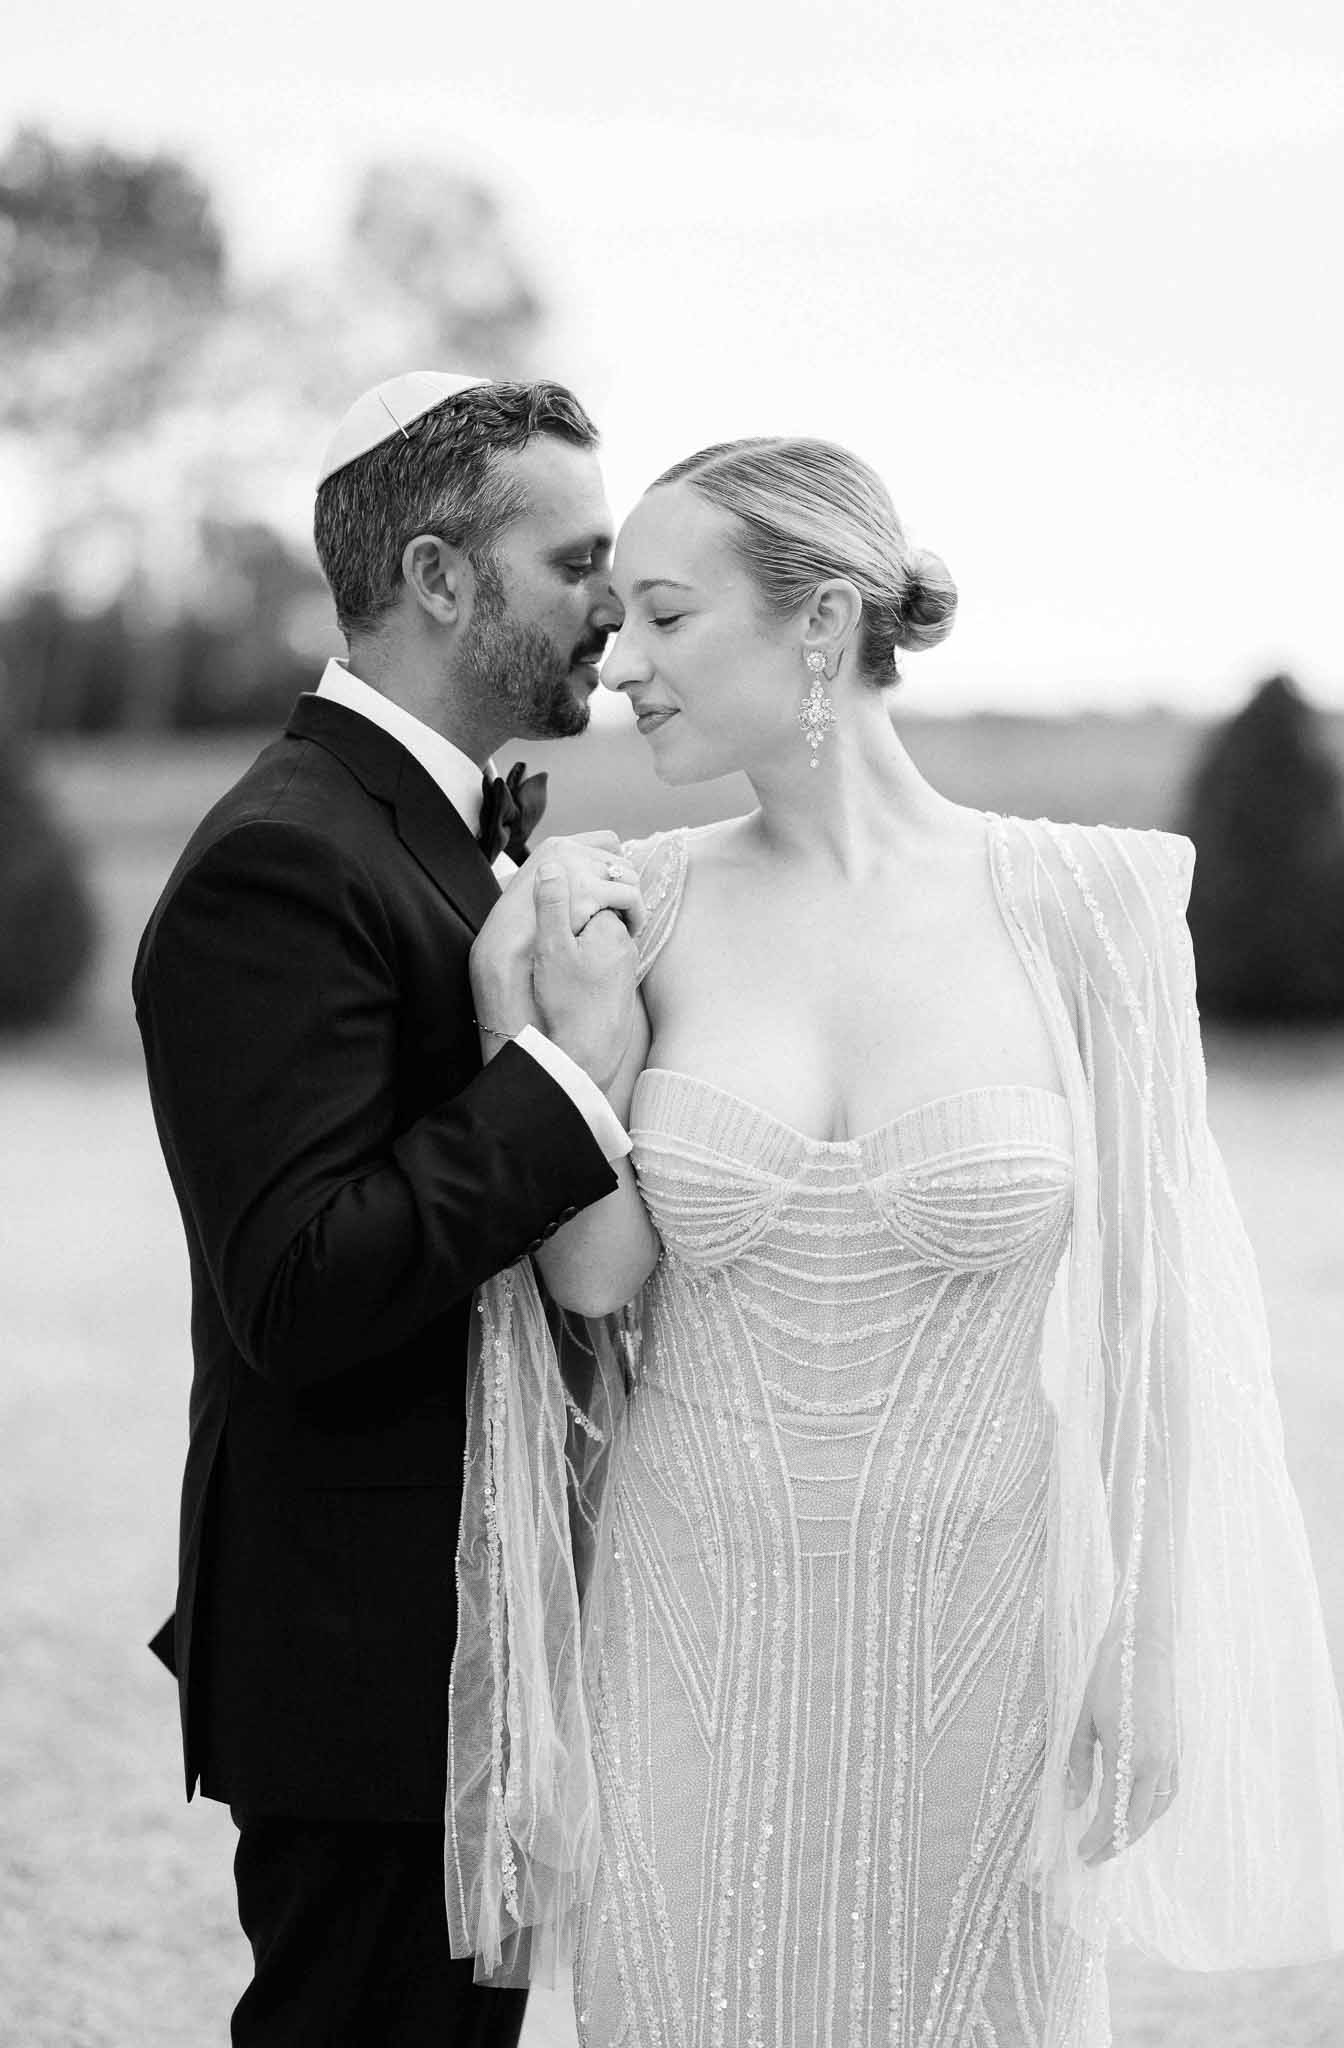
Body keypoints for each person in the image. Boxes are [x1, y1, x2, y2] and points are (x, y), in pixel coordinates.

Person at [449, 436, 1344, 2043]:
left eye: (665, 616)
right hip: (688, 1622)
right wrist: (569, 1024)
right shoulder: (636, 908)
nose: (622, 665)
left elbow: (1156, 1312)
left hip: (987, 1625)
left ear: (820, 622)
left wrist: (1141, 1644)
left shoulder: (1088, 905)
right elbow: (596, 1281)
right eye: (619, 621)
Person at [133, 371, 647, 2047]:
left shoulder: (438, 823)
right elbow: (299, 1284)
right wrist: (567, 1085)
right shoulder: (281, 861)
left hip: (461, 1649)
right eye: (575, 562)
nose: (614, 605)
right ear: (438, 578)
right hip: (371, 1670)